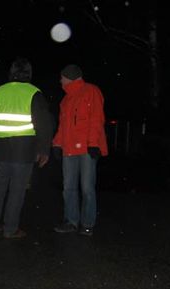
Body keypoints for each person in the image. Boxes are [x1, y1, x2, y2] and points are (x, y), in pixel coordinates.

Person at [0, 57, 53, 239]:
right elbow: (44, 124)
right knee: (17, 191)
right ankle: (10, 229)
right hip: (24, 151)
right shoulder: (34, 93)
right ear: (29, 73)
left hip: (2, 150)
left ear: (11, 73)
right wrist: (44, 150)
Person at [52, 64, 107, 236]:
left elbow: (96, 119)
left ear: (69, 77)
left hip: (86, 149)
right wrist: (57, 144)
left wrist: (92, 144)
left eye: (62, 77)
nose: (60, 80)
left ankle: (87, 223)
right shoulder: (66, 99)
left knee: (87, 188)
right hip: (69, 149)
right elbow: (63, 126)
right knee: (68, 187)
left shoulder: (91, 91)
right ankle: (71, 221)